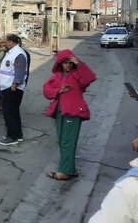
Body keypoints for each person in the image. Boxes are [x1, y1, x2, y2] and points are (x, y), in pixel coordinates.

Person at [43, 49, 95, 181]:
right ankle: (70, 168)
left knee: (68, 141)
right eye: (65, 63)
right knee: (63, 141)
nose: (68, 65)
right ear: (60, 63)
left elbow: (90, 78)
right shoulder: (57, 76)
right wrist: (59, 90)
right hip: (59, 112)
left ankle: (64, 172)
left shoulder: (78, 74)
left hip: (74, 112)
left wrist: (79, 63)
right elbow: (46, 90)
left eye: (70, 63)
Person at [0, 34, 29, 146]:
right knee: (13, 112)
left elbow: (19, 71)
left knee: (9, 113)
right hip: (7, 86)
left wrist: (15, 84)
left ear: (12, 42)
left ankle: (12, 136)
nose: (4, 44)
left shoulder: (18, 54)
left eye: (5, 42)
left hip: (12, 88)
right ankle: (17, 134)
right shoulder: (11, 52)